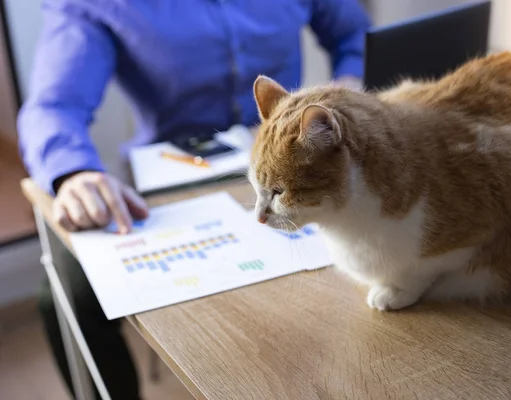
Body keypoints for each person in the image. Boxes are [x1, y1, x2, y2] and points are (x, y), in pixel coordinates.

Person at [17, 1, 370, 398]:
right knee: (67, 293)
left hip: (294, 166)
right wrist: (75, 172)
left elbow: (353, 31)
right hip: (171, 177)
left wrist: (351, 81)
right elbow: (54, 105)